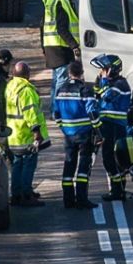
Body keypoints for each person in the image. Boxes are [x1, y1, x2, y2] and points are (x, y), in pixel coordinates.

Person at [53, 60, 100, 209]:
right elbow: (92, 112)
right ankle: (81, 199)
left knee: (69, 165)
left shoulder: (60, 90)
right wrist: (98, 130)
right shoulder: (85, 90)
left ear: (69, 74)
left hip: (68, 134)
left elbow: (56, 113)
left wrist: (64, 128)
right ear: (82, 73)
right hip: (84, 133)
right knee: (84, 166)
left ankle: (68, 200)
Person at [4, 61, 47, 207]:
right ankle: (26, 195)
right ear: (27, 74)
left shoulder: (10, 87)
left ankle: (15, 195)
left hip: (13, 135)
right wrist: (37, 133)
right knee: (29, 165)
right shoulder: (26, 90)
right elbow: (31, 113)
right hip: (26, 134)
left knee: (17, 165)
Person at [91, 54, 131, 202]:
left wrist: (103, 80)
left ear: (112, 70)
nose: (102, 71)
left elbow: (106, 96)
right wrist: (99, 80)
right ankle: (118, 189)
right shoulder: (112, 82)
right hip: (108, 125)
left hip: (115, 126)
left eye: (104, 69)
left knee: (112, 158)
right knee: (111, 158)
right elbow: (97, 93)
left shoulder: (120, 84)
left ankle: (118, 190)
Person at [42, 0, 80, 104]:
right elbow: (62, 29)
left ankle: (54, 109)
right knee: (62, 79)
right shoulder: (62, 4)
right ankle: (58, 109)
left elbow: (41, 26)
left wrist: (43, 47)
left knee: (56, 80)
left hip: (50, 47)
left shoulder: (52, 3)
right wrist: (74, 45)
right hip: (60, 49)